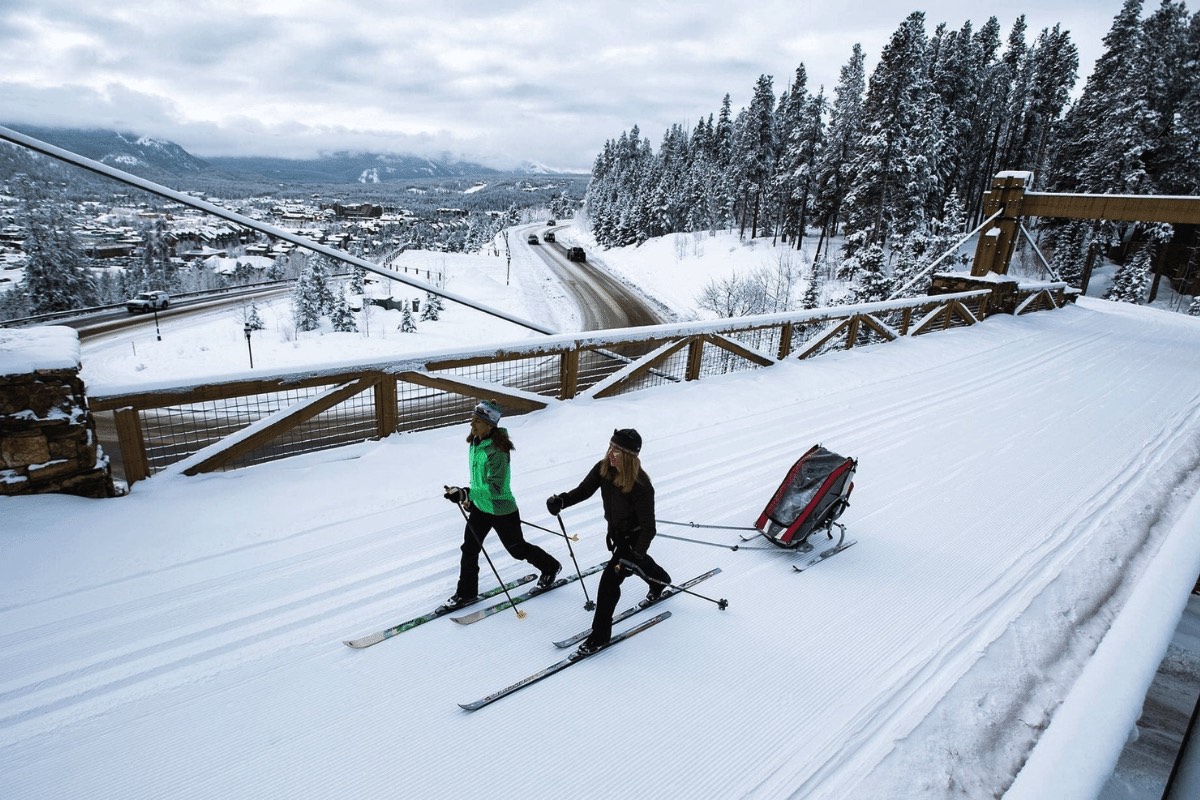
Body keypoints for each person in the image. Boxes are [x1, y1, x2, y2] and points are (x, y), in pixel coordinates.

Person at [546, 428, 671, 656]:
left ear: (630, 457)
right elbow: (583, 491)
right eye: (611, 447)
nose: (612, 453)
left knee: (608, 585)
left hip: (634, 539)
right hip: (616, 535)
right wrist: (561, 500)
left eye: (618, 451)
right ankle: (660, 580)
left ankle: (599, 637)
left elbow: (649, 529)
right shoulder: (603, 468)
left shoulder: (641, 485)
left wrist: (635, 555)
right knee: (639, 565)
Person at [442, 400, 561, 608]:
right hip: (481, 507)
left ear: (490, 424)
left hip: (501, 508)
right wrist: (470, 498)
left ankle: (551, 566)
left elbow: (496, 487)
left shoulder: (498, 450)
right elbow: (479, 480)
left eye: (477, 421)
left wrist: (466, 493)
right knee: (469, 549)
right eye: (473, 419)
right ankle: (467, 593)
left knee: (517, 550)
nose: (472, 424)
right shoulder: (476, 443)